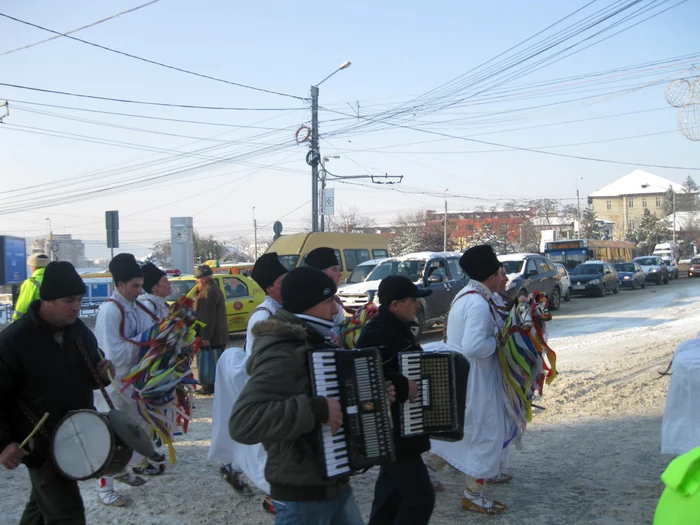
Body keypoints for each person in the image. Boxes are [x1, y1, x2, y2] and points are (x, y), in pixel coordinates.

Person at [229, 266, 365, 525]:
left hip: (333, 483)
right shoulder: (282, 351)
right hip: (301, 495)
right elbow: (244, 422)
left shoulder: (314, 343)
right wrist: (315, 409)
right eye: (328, 301)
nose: (335, 309)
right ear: (307, 305)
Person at [0, 261, 115, 525]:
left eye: (79, 299)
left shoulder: (78, 331)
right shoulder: (14, 341)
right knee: (67, 515)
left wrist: (103, 371)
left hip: (76, 437)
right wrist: (3, 443)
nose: (77, 306)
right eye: (69, 300)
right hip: (41, 444)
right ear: (48, 300)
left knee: (41, 508)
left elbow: (93, 373)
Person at [428, 244, 512, 515]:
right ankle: (473, 495)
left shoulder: (468, 295)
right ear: (490, 276)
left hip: (466, 375)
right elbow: (475, 346)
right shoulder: (477, 302)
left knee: (463, 433)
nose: (505, 277)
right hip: (475, 378)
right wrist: (500, 341)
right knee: (484, 435)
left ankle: (426, 468)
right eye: (501, 272)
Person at [355, 275, 435, 525]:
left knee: (388, 500)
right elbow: (362, 376)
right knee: (420, 499)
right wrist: (401, 385)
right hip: (393, 433)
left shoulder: (397, 328)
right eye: (412, 300)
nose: (417, 306)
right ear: (395, 305)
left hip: (402, 431)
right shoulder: (377, 332)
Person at [210, 252, 287, 503]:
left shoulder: (282, 310)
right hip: (264, 389)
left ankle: (235, 469)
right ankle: (270, 492)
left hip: (275, 388)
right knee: (265, 443)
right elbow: (257, 361)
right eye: (283, 282)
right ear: (270, 287)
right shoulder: (263, 316)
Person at [94, 253, 162, 507]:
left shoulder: (136, 306)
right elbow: (114, 352)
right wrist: (149, 345)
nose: (139, 290)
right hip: (114, 384)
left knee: (137, 429)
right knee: (110, 435)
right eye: (134, 286)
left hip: (133, 381)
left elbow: (150, 333)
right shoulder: (110, 310)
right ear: (119, 285)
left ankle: (121, 468)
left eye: (140, 285)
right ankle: (105, 489)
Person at [192, 264, 228, 395]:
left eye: (198, 278)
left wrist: (206, 337)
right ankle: (212, 385)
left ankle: (208, 386)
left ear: (203, 278)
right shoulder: (213, 288)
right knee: (214, 361)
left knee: (208, 361)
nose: (197, 281)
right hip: (218, 335)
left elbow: (207, 317)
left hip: (211, 336)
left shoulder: (207, 292)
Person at [305, 247, 347, 326]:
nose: (340, 274)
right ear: (321, 274)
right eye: (335, 269)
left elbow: (342, 329)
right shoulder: (310, 301)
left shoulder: (335, 300)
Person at [12, 253, 49, 322]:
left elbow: (22, 308)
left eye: (30, 266)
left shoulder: (31, 283)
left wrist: (14, 324)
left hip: (37, 326)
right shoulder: (55, 279)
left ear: (34, 266)